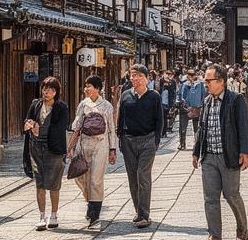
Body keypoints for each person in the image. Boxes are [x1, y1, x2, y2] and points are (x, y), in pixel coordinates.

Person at [192, 65, 248, 240]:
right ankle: (214, 234)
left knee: (231, 194)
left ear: (221, 82)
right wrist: (196, 152)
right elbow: (202, 128)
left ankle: (242, 228)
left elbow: (244, 127)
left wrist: (246, 152)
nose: (206, 84)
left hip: (228, 155)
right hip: (209, 156)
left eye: (208, 81)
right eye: (205, 81)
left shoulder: (236, 100)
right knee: (210, 197)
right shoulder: (207, 101)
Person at [117, 64, 163, 228]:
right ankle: (138, 211)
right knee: (132, 177)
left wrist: (156, 141)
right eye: (132, 75)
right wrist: (120, 138)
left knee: (143, 175)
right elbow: (120, 118)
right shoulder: (125, 96)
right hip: (129, 140)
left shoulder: (154, 96)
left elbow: (159, 121)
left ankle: (144, 214)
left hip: (148, 139)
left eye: (137, 75)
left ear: (146, 78)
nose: (134, 78)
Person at [68, 74, 116, 228]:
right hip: (84, 143)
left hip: (100, 144)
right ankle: (90, 201)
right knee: (81, 176)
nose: (86, 89)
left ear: (97, 88)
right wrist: (71, 147)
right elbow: (77, 126)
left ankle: (94, 212)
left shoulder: (106, 105)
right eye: (86, 86)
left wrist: (112, 149)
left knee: (96, 179)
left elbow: (111, 128)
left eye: (89, 86)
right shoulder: (83, 104)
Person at [23, 77, 71, 230]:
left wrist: (41, 129)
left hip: (54, 149)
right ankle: (41, 216)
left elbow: (62, 126)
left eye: (50, 89)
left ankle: (54, 214)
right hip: (36, 148)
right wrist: (29, 124)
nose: (46, 92)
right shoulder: (35, 104)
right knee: (40, 183)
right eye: (44, 88)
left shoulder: (61, 107)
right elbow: (26, 120)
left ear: (56, 92)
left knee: (54, 184)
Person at [178, 68, 206, 150]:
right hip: (186, 108)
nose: (189, 78)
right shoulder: (184, 84)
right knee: (183, 128)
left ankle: (197, 144)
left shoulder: (200, 84)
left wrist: (200, 105)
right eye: (189, 76)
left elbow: (203, 95)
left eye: (191, 76)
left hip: (195, 108)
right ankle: (182, 143)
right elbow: (180, 94)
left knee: (196, 128)